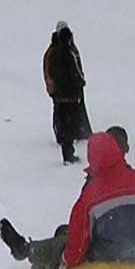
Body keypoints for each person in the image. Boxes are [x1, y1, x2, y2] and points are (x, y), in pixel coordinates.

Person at [0, 128, 135, 269]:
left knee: (65, 240)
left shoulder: (92, 194)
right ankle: (34, 258)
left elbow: (77, 245)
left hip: (106, 257)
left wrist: (66, 259)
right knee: (65, 232)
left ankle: (29, 252)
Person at [43, 22, 87, 164]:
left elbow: (47, 71)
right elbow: (75, 71)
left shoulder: (53, 51)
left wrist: (52, 89)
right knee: (69, 120)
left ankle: (64, 139)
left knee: (62, 118)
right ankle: (68, 147)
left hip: (60, 94)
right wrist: (80, 82)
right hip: (70, 94)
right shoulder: (68, 51)